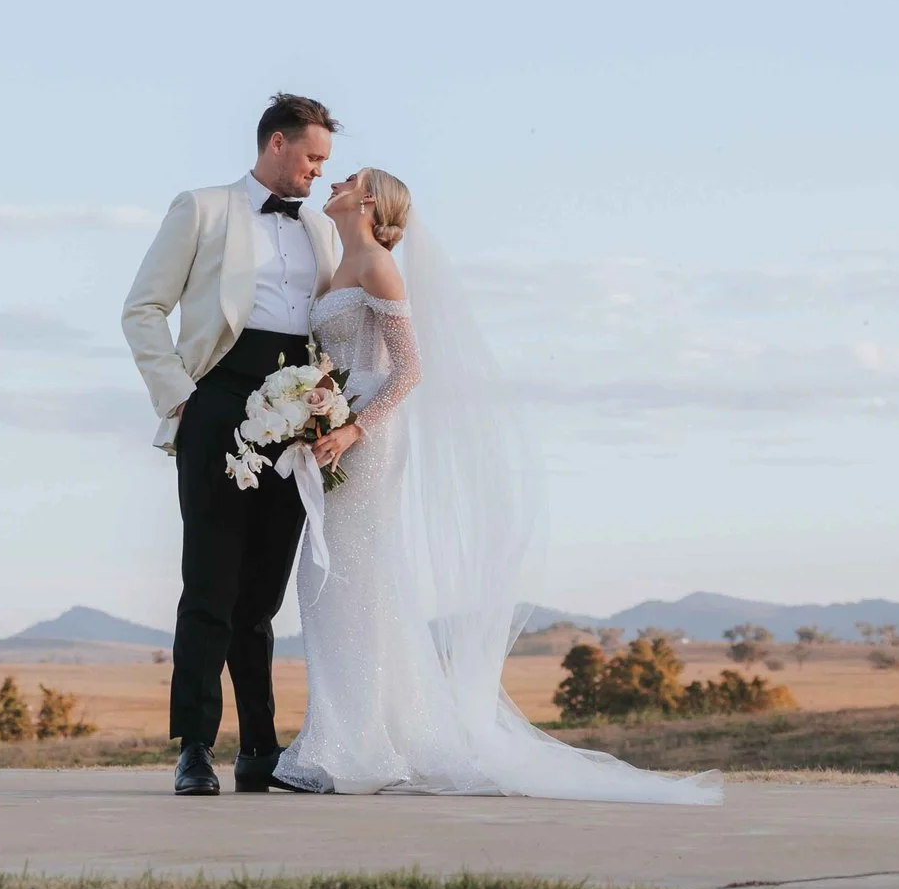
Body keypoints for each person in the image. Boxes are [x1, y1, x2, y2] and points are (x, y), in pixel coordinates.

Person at [270, 167, 720, 803]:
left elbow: (409, 373)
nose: (335, 181)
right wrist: (314, 407)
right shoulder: (340, 262)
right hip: (332, 426)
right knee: (326, 581)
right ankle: (349, 736)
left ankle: (356, 748)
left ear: (368, 201)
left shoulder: (378, 266)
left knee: (354, 577)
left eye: (349, 178)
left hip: (366, 439)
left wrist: (352, 430)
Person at [121, 93, 342, 797]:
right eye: (311, 157)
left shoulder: (321, 231)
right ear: (276, 143)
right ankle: (194, 748)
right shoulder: (203, 207)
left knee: (262, 598)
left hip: (295, 413)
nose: (316, 172)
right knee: (209, 585)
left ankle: (260, 751)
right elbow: (143, 307)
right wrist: (181, 397)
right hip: (216, 402)